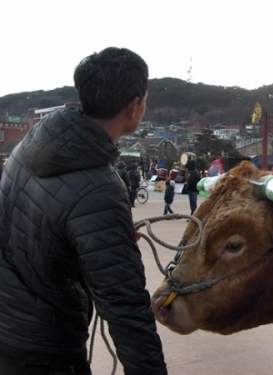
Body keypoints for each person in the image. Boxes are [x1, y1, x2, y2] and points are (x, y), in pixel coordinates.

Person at [0, 47, 167, 375]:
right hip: (46, 350)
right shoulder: (100, 187)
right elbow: (125, 308)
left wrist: (93, 243)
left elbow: (28, 236)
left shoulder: (30, 145)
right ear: (133, 107)